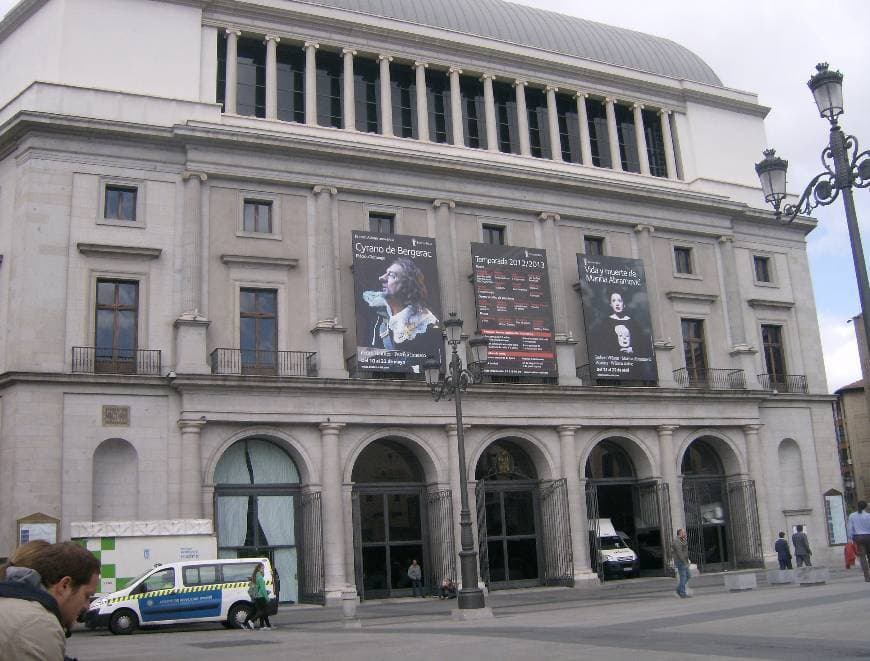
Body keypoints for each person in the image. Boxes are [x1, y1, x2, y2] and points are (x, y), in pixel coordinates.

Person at [0, 540, 100, 661]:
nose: (87, 606)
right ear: (64, 585)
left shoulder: (14, 605)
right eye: (86, 596)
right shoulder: (38, 624)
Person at [362, 257, 439, 354]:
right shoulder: (377, 316)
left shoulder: (425, 321)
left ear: (407, 284)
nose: (381, 278)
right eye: (386, 273)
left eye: (391, 275)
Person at [243, 563, 272, 630]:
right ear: (259, 569)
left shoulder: (256, 576)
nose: (263, 569)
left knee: (262, 611)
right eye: (262, 568)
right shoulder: (260, 577)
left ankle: (263, 626)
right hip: (261, 597)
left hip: (257, 596)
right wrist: (267, 598)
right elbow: (262, 588)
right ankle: (251, 621)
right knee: (262, 611)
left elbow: (258, 588)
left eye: (263, 568)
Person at [847, 500, 870, 582]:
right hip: (868, 536)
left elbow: (850, 528)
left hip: (858, 537)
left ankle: (867, 577)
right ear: (866, 507)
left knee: (862, 557)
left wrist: (850, 538)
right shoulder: (868, 516)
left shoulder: (852, 516)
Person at [671, 528, 691, 598]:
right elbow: (680, 553)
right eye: (684, 533)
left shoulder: (682, 540)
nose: (685, 534)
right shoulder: (676, 541)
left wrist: (687, 560)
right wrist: (685, 562)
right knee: (683, 577)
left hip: (684, 560)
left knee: (688, 576)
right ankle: (682, 593)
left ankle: (678, 590)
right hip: (680, 561)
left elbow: (685, 551)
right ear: (680, 533)